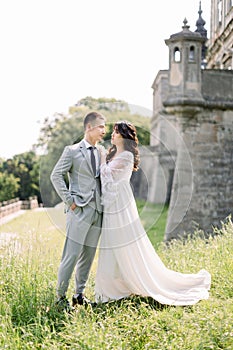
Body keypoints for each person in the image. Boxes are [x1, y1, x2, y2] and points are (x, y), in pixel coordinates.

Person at [95, 120, 211, 306]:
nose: (112, 135)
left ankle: (129, 282)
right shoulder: (116, 153)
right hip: (113, 203)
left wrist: (101, 157)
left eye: (116, 132)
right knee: (112, 242)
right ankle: (115, 285)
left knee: (122, 240)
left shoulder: (126, 156)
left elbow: (106, 173)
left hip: (120, 204)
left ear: (124, 136)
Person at [50, 111, 106, 311]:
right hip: (79, 210)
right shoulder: (72, 151)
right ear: (89, 127)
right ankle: (60, 298)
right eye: (100, 127)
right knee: (71, 255)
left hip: (98, 211)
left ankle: (79, 295)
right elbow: (56, 175)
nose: (104, 131)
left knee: (88, 256)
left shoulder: (102, 152)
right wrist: (69, 201)